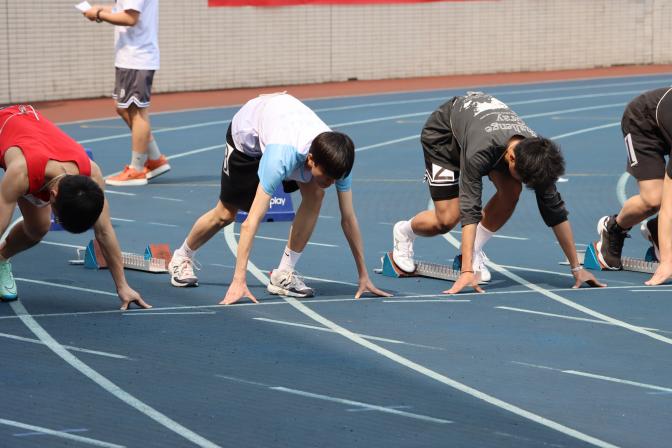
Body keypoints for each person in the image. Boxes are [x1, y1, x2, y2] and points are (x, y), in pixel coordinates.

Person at [167, 92, 390, 304]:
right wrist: (239, 281)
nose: (332, 182)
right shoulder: (280, 158)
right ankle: (182, 256)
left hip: (283, 126)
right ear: (311, 160)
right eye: (328, 177)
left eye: (336, 178)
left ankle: (284, 273)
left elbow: (348, 218)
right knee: (226, 214)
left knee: (316, 193)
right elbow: (251, 222)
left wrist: (363, 275)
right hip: (247, 140)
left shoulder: (339, 161)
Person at [392, 91, 605, 294]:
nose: (524, 181)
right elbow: (470, 209)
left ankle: (473, 251)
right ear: (511, 158)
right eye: (521, 176)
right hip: (445, 138)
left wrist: (576, 268)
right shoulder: (480, 153)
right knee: (447, 220)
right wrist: (466, 272)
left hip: (486, 135)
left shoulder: (536, 155)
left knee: (512, 190)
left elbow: (555, 211)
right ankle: (404, 232)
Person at [0, 105, 151, 310]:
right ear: (53, 196)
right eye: (58, 217)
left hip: (34, 147)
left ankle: (1, 259)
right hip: (9, 131)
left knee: (38, 228)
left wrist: (122, 285)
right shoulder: (21, 173)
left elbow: (104, 231)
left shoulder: (92, 175)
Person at [83, 0, 170, 186]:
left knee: (136, 111)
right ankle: (155, 159)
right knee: (122, 107)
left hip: (136, 58)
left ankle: (136, 169)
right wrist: (99, 9)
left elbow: (130, 18)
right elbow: (122, 9)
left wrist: (98, 14)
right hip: (128, 57)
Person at [596, 88, 672, 277]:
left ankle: (655, 229)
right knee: (653, 199)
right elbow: (668, 205)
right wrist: (667, 262)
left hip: (664, 120)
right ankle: (613, 228)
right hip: (642, 122)